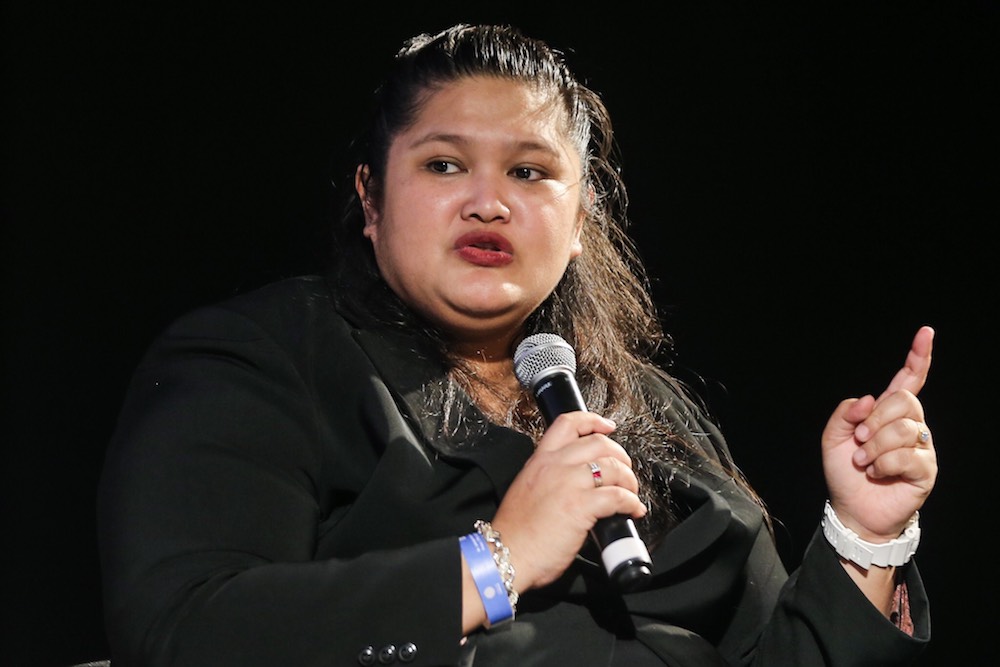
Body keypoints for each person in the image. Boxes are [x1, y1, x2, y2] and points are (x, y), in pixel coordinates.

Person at [96, 23, 937, 666]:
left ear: (578, 224)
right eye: (444, 166)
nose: (489, 203)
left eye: (531, 172)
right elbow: (184, 627)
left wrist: (865, 539)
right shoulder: (265, 358)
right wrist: (497, 559)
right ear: (370, 197)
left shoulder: (651, 412)